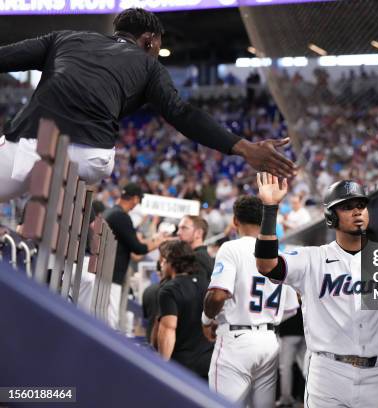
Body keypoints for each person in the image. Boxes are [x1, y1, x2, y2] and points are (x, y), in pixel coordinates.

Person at [0, 7, 296, 202]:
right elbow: (182, 113)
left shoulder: (64, 39)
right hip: (90, 157)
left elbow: (5, 56)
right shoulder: (149, 66)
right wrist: (244, 147)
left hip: (29, 143)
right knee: (55, 201)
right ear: (149, 40)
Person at [254, 170, 378, 408]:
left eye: (361, 204)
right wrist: (270, 209)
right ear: (331, 217)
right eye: (347, 206)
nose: (357, 210)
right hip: (328, 374)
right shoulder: (313, 258)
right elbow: (267, 265)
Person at [202, 195, 299, 406]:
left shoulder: (231, 248)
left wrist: (207, 319)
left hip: (237, 339)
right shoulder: (279, 253)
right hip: (269, 340)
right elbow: (292, 306)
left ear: (235, 221)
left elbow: (218, 294)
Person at [103, 182, 169, 329]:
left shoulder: (112, 213)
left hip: (106, 271)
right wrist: (159, 242)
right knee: (110, 321)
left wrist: (155, 240)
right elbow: (137, 248)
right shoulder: (121, 217)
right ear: (134, 199)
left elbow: (132, 242)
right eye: (138, 199)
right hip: (112, 274)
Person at [157, 240, 212, 380]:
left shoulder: (169, 289)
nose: (161, 265)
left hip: (181, 367)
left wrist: (162, 367)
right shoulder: (208, 285)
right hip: (208, 365)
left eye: (163, 260)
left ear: (171, 262)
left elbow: (168, 329)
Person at [177, 215, 214, 281]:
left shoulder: (197, 258)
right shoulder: (197, 256)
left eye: (184, 228)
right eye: (178, 228)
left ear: (199, 233)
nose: (178, 233)